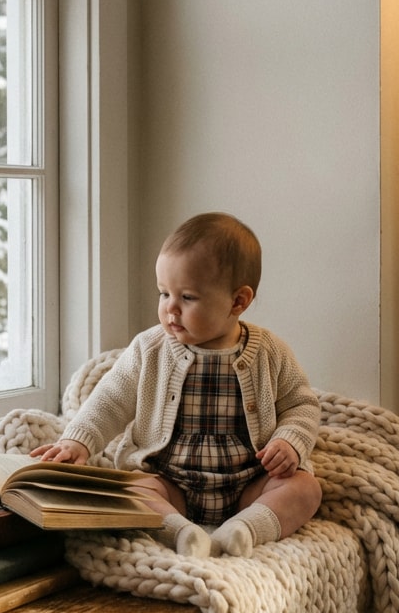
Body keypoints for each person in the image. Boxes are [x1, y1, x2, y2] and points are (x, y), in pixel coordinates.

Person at [31, 212, 322, 557]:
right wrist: (78, 441)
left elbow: (301, 404)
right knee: (130, 492)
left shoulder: (269, 351)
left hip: (248, 482)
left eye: (187, 298)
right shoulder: (150, 349)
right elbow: (110, 398)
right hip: (169, 480)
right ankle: (181, 532)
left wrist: (289, 442)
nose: (170, 308)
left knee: (306, 489)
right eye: (163, 293)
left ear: (238, 301)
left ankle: (246, 528)